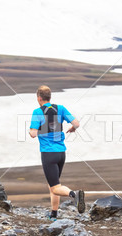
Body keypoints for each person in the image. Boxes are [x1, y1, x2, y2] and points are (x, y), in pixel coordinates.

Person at [29, 85, 85, 220]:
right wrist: (72, 128)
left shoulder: (37, 112)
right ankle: (53, 214)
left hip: (48, 154)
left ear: (39, 98)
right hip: (61, 153)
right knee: (54, 185)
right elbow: (77, 123)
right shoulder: (61, 108)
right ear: (49, 97)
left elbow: (32, 134)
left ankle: (74, 194)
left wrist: (38, 130)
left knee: (55, 188)